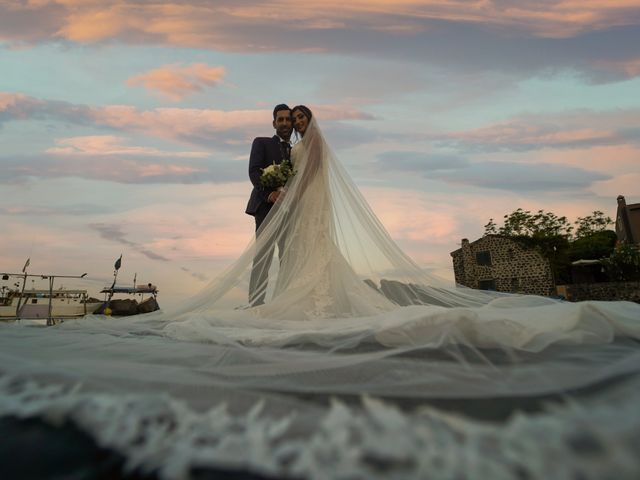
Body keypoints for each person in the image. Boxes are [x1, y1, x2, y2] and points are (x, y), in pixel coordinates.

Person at [246, 104, 293, 306]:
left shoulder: (297, 150)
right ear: (274, 123)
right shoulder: (262, 143)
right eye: (280, 119)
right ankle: (256, 305)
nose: (284, 123)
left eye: (287, 119)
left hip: (290, 211)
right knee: (263, 258)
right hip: (265, 209)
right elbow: (254, 171)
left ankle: (284, 303)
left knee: (288, 257)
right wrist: (269, 194)